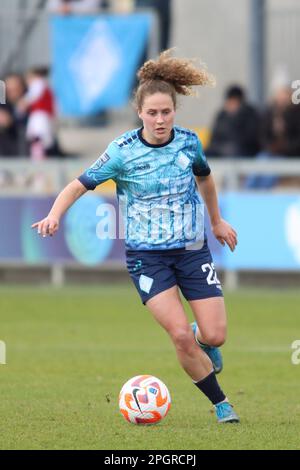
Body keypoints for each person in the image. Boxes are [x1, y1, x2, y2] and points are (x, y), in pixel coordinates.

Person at [31, 50, 239, 424]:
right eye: (152, 113)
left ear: (174, 111)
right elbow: (79, 184)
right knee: (179, 335)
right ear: (140, 113)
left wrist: (218, 221)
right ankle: (222, 403)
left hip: (193, 251)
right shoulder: (121, 152)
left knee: (216, 335)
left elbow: (205, 177)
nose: (160, 120)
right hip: (147, 259)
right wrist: (55, 214)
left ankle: (203, 339)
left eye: (166, 112)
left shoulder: (189, 143)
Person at [206, 84, 261, 158]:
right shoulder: (222, 115)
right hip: (222, 150)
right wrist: (220, 147)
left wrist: (235, 118)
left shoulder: (250, 114)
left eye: (234, 102)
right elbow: (214, 138)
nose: (232, 105)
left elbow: (250, 139)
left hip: (244, 151)